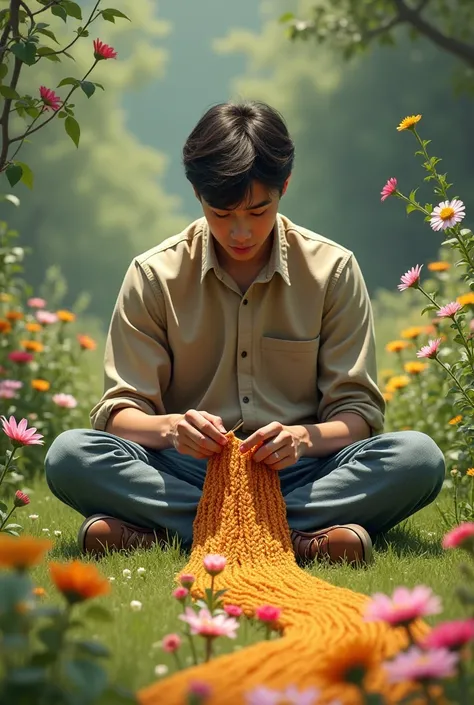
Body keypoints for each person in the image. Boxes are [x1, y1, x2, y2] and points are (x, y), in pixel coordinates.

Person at [45, 101, 445, 565]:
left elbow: (357, 415)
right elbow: (119, 414)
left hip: (301, 473)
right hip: (187, 472)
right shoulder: (153, 274)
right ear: (197, 194)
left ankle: (174, 535)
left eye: (259, 211)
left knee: (419, 458)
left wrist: (302, 439)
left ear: (285, 188)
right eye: (221, 212)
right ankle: (295, 539)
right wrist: (173, 428)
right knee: (69, 454)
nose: (240, 232)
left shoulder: (333, 270)